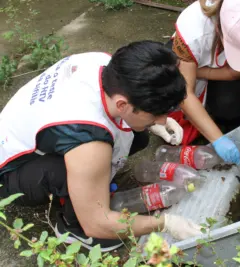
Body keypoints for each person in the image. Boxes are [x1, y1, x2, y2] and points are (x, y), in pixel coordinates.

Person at [0, 41, 203, 252]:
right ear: (123, 105)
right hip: (11, 173)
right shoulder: (87, 139)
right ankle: (72, 227)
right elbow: (97, 223)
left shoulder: (107, 64)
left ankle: (86, 186)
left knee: (138, 136)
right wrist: (166, 223)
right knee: (66, 173)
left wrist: (153, 120)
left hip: (27, 133)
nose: (162, 120)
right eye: (157, 114)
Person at [155, 0, 240, 163]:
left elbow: (237, 72)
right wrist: (218, 139)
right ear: (218, 28)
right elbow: (185, 93)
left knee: (230, 110)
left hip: (216, 69)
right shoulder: (193, 29)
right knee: (165, 93)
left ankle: (217, 111)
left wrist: (199, 72)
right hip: (192, 58)